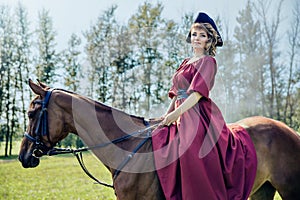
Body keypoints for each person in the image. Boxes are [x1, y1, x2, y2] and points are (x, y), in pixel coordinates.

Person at [152, 12, 257, 200]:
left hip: (197, 114)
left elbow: (197, 94)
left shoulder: (208, 62)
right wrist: (165, 117)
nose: (197, 38)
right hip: (180, 111)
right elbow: (177, 94)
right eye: (194, 34)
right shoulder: (185, 63)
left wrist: (176, 114)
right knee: (160, 138)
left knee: (190, 148)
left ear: (209, 40)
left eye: (202, 35)